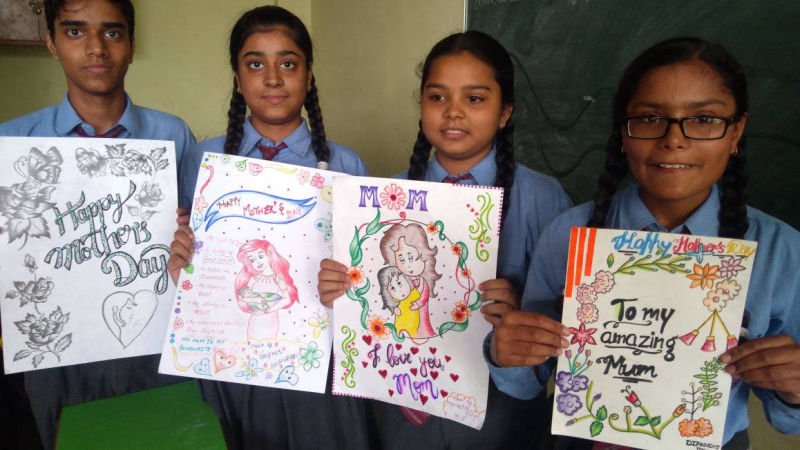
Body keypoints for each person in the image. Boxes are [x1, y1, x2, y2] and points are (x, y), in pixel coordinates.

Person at [491, 37, 800, 450]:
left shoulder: (781, 251)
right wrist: (507, 352)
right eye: (650, 118)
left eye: (704, 119)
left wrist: (793, 387)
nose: (674, 139)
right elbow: (528, 379)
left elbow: (789, 418)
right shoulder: (567, 234)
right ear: (623, 131)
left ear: (736, 131)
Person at [317, 30, 572, 449]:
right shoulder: (381, 199)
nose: (453, 112)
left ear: (505, 111)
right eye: (437, 97)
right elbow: (366, 306)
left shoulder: (544, 199)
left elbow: (568, 324)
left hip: (501, 414)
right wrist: (339, 291)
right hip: (400, 405)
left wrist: (519, 310)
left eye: (474, 98)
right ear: (422, 106)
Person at [166, 6, 377, 449]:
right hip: (229, 359)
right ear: (238, 78)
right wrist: (180, 259)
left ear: (309, 75)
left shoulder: (346, 164)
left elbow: (363, 275)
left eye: (288, 63)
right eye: (255, 64)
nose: (273, 79)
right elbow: (188, 259)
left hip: (319, 363)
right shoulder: (202, 159)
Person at [0, 1, 194, 448]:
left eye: (112, 33)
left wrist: (188, 233)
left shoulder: (173, 135)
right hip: (56, 358)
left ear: (130, 44)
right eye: (74, 32)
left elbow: (195, 242)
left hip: (155, 342)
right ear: (51, 43)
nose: (96, 48)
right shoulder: (14, 143)